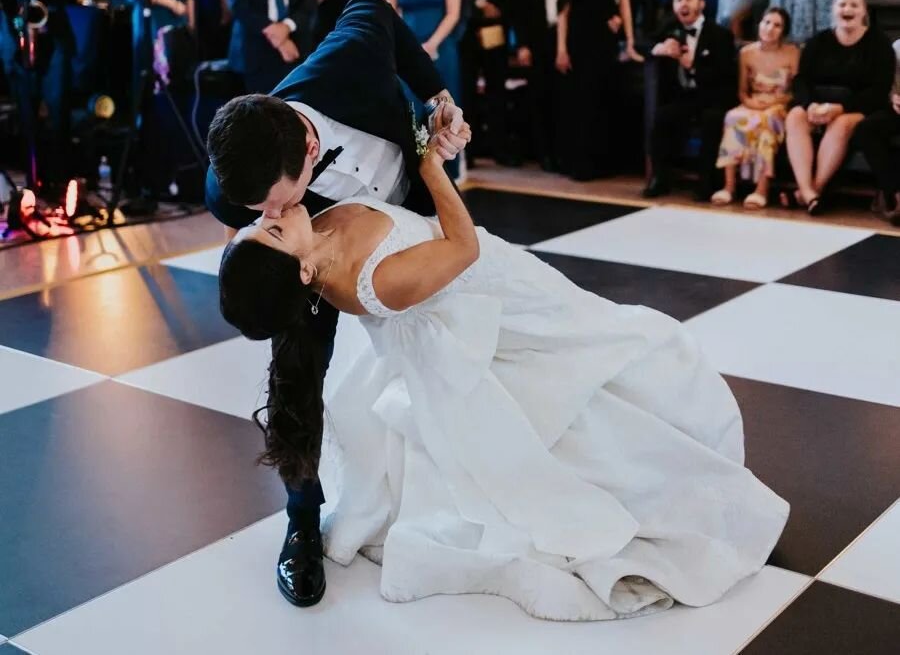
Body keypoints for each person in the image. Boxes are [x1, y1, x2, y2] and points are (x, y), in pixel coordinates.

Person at [218, 132, 789, 622]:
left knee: (577, 341)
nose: (269, 215)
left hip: (491, 282)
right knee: (590, 354)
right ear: (303, 270)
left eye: (257, 222)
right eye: (269, 231)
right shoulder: (365, 280)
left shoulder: (308, 228)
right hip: (488, 292)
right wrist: (430, 166)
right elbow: (461, 249)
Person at [205, 0, 469, 608]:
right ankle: (301, 517)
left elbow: (372, 8)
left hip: (419, 207)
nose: (269, 218)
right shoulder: (234, 186)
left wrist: (436, 98)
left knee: (458, 348)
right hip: (322, 253)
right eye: (259, 214)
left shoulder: (347, 63)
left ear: (304, 148)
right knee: (297, 366)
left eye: (274, 204)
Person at [781, 0, 894, 215]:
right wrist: (810, 104)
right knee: (795, 116)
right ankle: (808, 192)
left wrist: (840, 108)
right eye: (842, 4)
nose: (847, 9)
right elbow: (801, 80)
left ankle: (814, 190)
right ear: (833, 9)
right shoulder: (818, 41)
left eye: (854, 5)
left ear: (864, 12)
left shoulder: (879, 44)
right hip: (819, 104)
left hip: (858, 106)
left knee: (842, 124)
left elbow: (879, 90)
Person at [0, 0, 79, 189]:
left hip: (53, 39)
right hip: (16, 39)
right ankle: (32, 184)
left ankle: (60, 183)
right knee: (26, 114)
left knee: (58, 111)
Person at [556, 0, 643, 180]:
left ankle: (606, 162)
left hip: (604, 41)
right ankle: (581, 163)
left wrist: (630, 42)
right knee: (581, 102)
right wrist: (561, 49)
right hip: (578, 42)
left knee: (604, 98)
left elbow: (625, 5)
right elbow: (563, 12)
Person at [644, 0, 737, 200]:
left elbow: (725, 74)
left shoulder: (720, 34)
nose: (683, 4)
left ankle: (707, 182)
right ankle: (660, 178)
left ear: (701, 4)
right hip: (684, 96)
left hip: (713, 96)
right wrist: (658, 48)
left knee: (711, 119)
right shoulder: (669, 27)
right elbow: (646, 43)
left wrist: (692, 66)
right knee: (663, 116)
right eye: (678, 0)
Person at [713, 7, 799, 209]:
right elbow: (742, 91)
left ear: (783, 31)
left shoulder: (792, 53)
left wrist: (774, 103)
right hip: (753, 102)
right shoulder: (746, 53)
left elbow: (796, 92)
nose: (770, 28)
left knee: (767, 121)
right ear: (759, 24)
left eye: (777, 25)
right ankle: (729, 186)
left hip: (779, 104)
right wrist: (751, 103)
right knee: (732, 117)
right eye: (766, 22)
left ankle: (761, 188)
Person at [451, 0, 516, 165]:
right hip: (464, 32)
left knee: (496, 89)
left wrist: (498, 10)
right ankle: (471, 151)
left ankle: (499, 148)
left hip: (494, 31)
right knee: (465, 91)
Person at [511, 0, 571, 170]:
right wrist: (522, 44)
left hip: (566, 36)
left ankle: (563, 151)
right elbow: (518, 8)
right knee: (539, 96)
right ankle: (544, 153)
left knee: (564, 96)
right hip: (536, 38)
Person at [853, 39, 900, 225]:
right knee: (867, 129)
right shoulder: (897, 47)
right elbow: (888, 83)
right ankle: (895, 194)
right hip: (897, 109)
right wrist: (893, 98)